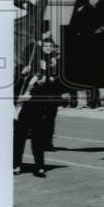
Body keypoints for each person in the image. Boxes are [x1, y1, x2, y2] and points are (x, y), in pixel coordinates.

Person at [13, 45, 65, 177]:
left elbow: (52, 90)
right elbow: (13, 87)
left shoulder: (46, 71)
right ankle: (16, 165)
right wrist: (21, 75)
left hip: (38, 109)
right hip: (21, 108)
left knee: (38, 139)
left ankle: (40, 166)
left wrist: (46, 81)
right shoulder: (20, 69)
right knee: (19, 139)